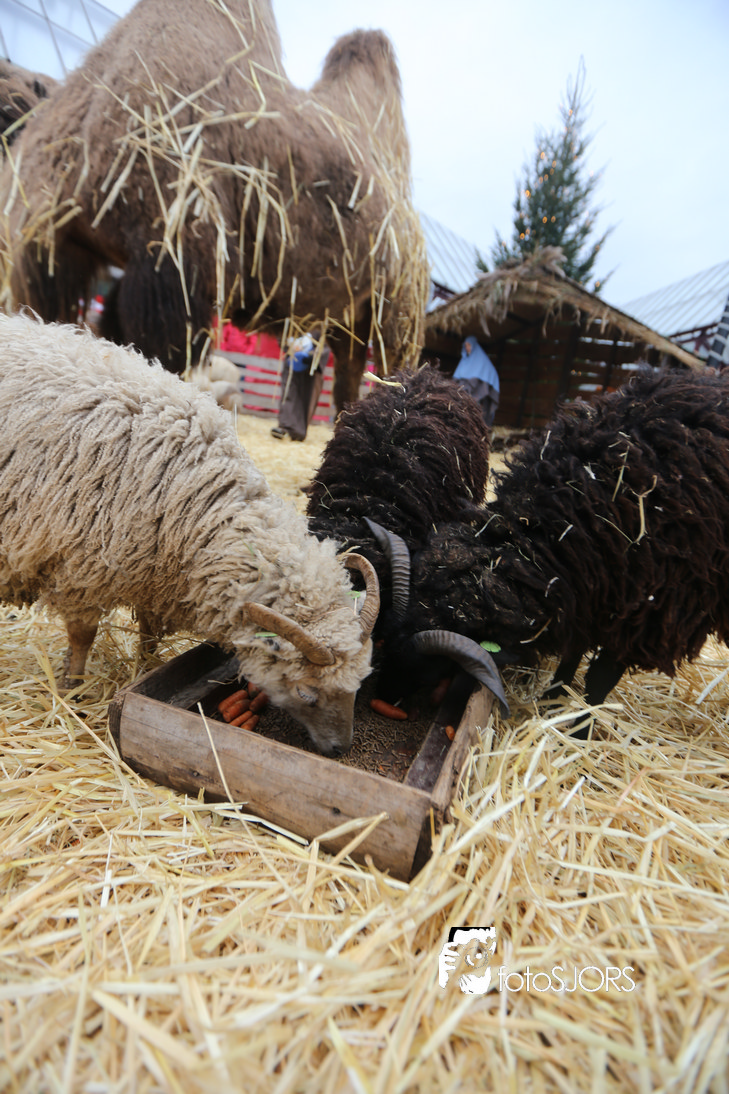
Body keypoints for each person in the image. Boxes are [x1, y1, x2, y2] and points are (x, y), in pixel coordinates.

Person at [271, 328, 328, 442]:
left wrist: (313, 356)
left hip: (311, 369)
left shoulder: (320, 326)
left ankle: (298, 432)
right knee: (289, 393)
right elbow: (282, 334)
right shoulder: (294, 323)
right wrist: (290, 347)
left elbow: (326, 344)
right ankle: (285, 427)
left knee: (307, 397)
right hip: (292, 363)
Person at [453, 335, 500, 428]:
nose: (467, 348)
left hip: (480, 395)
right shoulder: (464, 361)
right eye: (466, 345)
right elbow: (458, 377)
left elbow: (488, 377)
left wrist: (476, 387)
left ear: (474, 346)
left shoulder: (481, 359)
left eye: (469, 345)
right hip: (467, 394)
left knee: (479, 412)